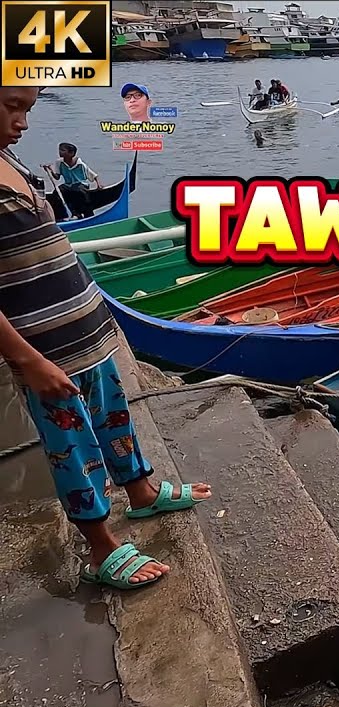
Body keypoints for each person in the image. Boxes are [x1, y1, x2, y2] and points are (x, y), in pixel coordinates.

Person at [0, 86, 213, 591]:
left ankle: (140, 490)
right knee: (71, 445)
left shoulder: (10, 160)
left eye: (28, 108)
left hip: (85, 330)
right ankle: (100, 544)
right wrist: (27, 361)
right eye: (12, 106)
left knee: (114, 417)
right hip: (44, 349)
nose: (24, 122)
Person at [42, 142, 100, 219]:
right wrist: (50, 170)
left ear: (71, 153)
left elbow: (93, 175)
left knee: (80, 192)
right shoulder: (59, 163)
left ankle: (86, 214)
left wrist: (98, 185)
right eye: (60, 150)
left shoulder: (80, 164)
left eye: (63, 150)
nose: (60, 152)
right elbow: (57, 177)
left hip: (80, 184)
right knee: (57, 192)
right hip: (68, 185)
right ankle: (61, 214)